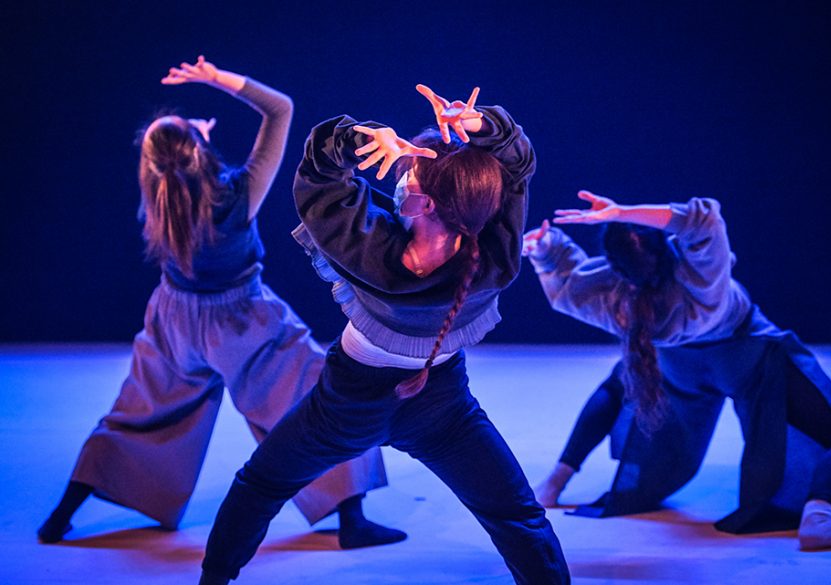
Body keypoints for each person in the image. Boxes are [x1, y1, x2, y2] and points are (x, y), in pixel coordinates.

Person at [197, 85, 569, 584]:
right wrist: (481, 127)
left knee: (260, 484)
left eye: (407, 173)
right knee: (517, 515)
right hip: (442, 406)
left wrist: (356, 140)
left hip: (350, 403)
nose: (401, 176)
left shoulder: (368, 252)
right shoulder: (495, 261)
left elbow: (317, 180)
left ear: (419, 203)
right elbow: (517, 167)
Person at [38, 57, 403, 550]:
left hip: (173, 319)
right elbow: (280, 110)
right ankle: (352, 521)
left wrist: (193, 137)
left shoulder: (157, 195)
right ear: (198, 152)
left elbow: (170, 160)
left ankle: (61, 516)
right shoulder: (239, 194)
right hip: (241, 319)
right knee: (320, 396)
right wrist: (217, 80)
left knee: (136, 414)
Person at [524, 192, 831, 550]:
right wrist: (624, 212)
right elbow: (704, 220)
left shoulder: (620, 301)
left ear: (615, 268)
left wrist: (545, 249)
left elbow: (570, 286)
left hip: (675, 365)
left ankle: (554, 483)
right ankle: (818, 516)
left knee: (619, 384)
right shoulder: (700, 280)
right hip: (746, 356)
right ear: (664, 246)